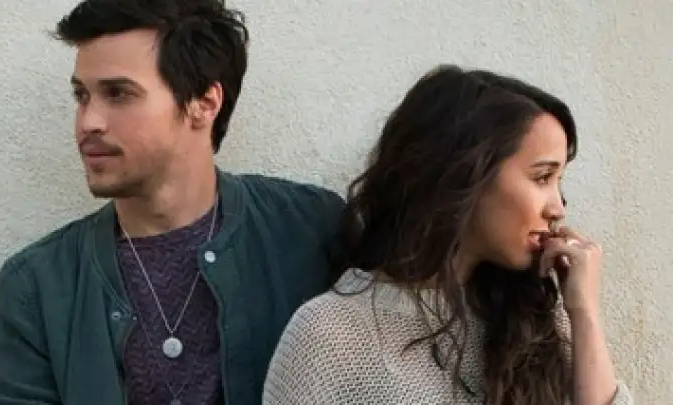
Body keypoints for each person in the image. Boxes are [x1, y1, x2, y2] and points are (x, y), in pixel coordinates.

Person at [0, 0, 343, 404]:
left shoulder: (310, 230)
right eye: (82, 95)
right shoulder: (38, 286)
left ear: (204, 103)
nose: (88, 122)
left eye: (118, 94)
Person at [262, 65, 634, 405]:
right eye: (541, 178)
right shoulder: (329, 336)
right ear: (465, 175)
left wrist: (584, 312)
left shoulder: (536, 317)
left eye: (559, 181)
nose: (557, 208)